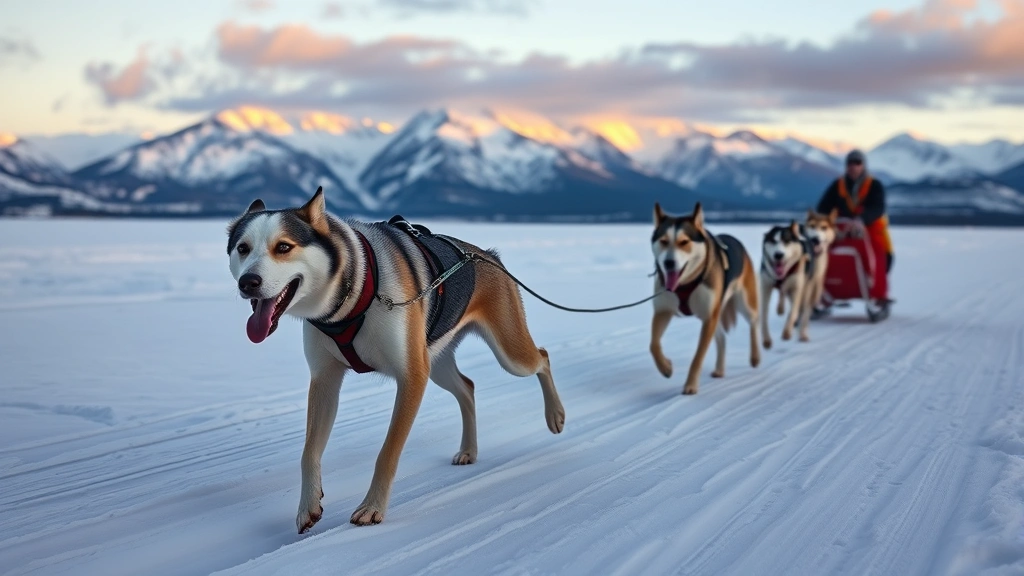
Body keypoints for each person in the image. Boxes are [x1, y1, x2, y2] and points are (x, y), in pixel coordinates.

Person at [814, 149, 893, 317]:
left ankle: (878, 295)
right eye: (850, 163)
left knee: (878, 254)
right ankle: (825, 293)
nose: (853, 167)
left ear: (863, 166)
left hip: (870, 229)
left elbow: (878, 208)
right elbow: (823, 207)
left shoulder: (874, 185)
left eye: (857, 163)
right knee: (823, 252)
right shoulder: (838, 185)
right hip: (842, 230)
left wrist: (861, 219)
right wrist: (824, 222)